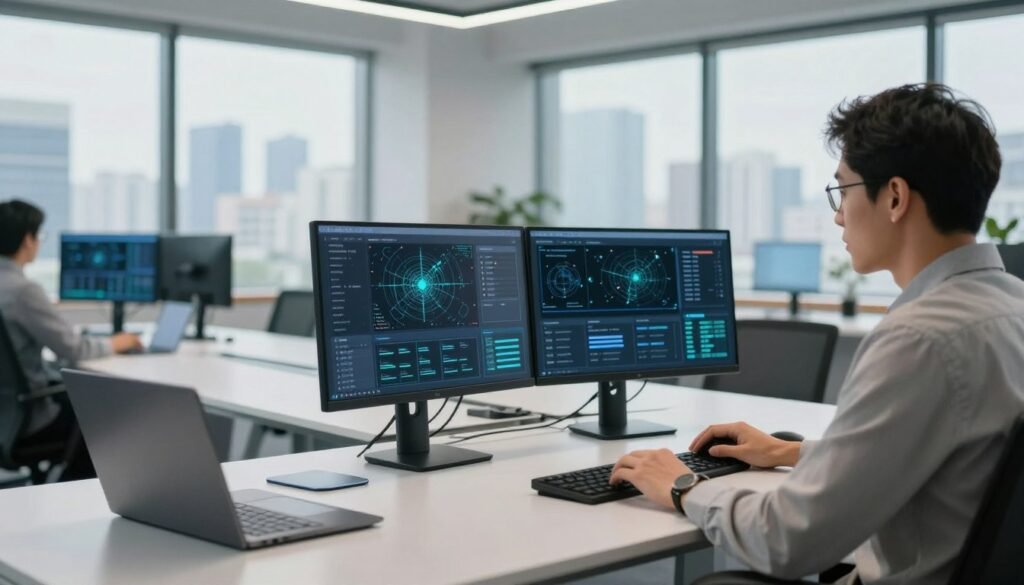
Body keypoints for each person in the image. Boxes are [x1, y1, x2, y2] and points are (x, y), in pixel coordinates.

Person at [610, 83, 1024, 585]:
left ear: (894, 197)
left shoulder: (920, 339)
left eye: (842, 190)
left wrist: (682, 485)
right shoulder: (1010, 308)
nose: (836, 214)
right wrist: (792, 452)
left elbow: (789, 541)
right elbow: (952, 455)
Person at [0, 199, 142, 480]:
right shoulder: (22, 291)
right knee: (113, 418)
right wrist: (117, 343)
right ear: (28, 239)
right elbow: (74, 349)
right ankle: (73, 495)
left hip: (6, 415)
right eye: (38, 236)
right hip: (26, 420)